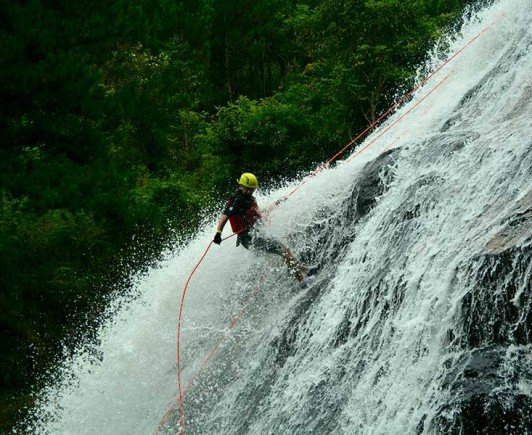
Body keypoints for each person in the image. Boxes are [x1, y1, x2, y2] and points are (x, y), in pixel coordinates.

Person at [213, 172, 315, 284]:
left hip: (256, 234)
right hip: (248, 239)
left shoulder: (251, 199)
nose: (250, 191)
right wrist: (218, 233)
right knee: (284, 251)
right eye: (247, 189)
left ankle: (307, 270)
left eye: (252, 189)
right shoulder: (236, 200)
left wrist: (277, 203)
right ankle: (302, 280)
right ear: (241, 186)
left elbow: (260, 213)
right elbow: (224, 216)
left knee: (285, 250)